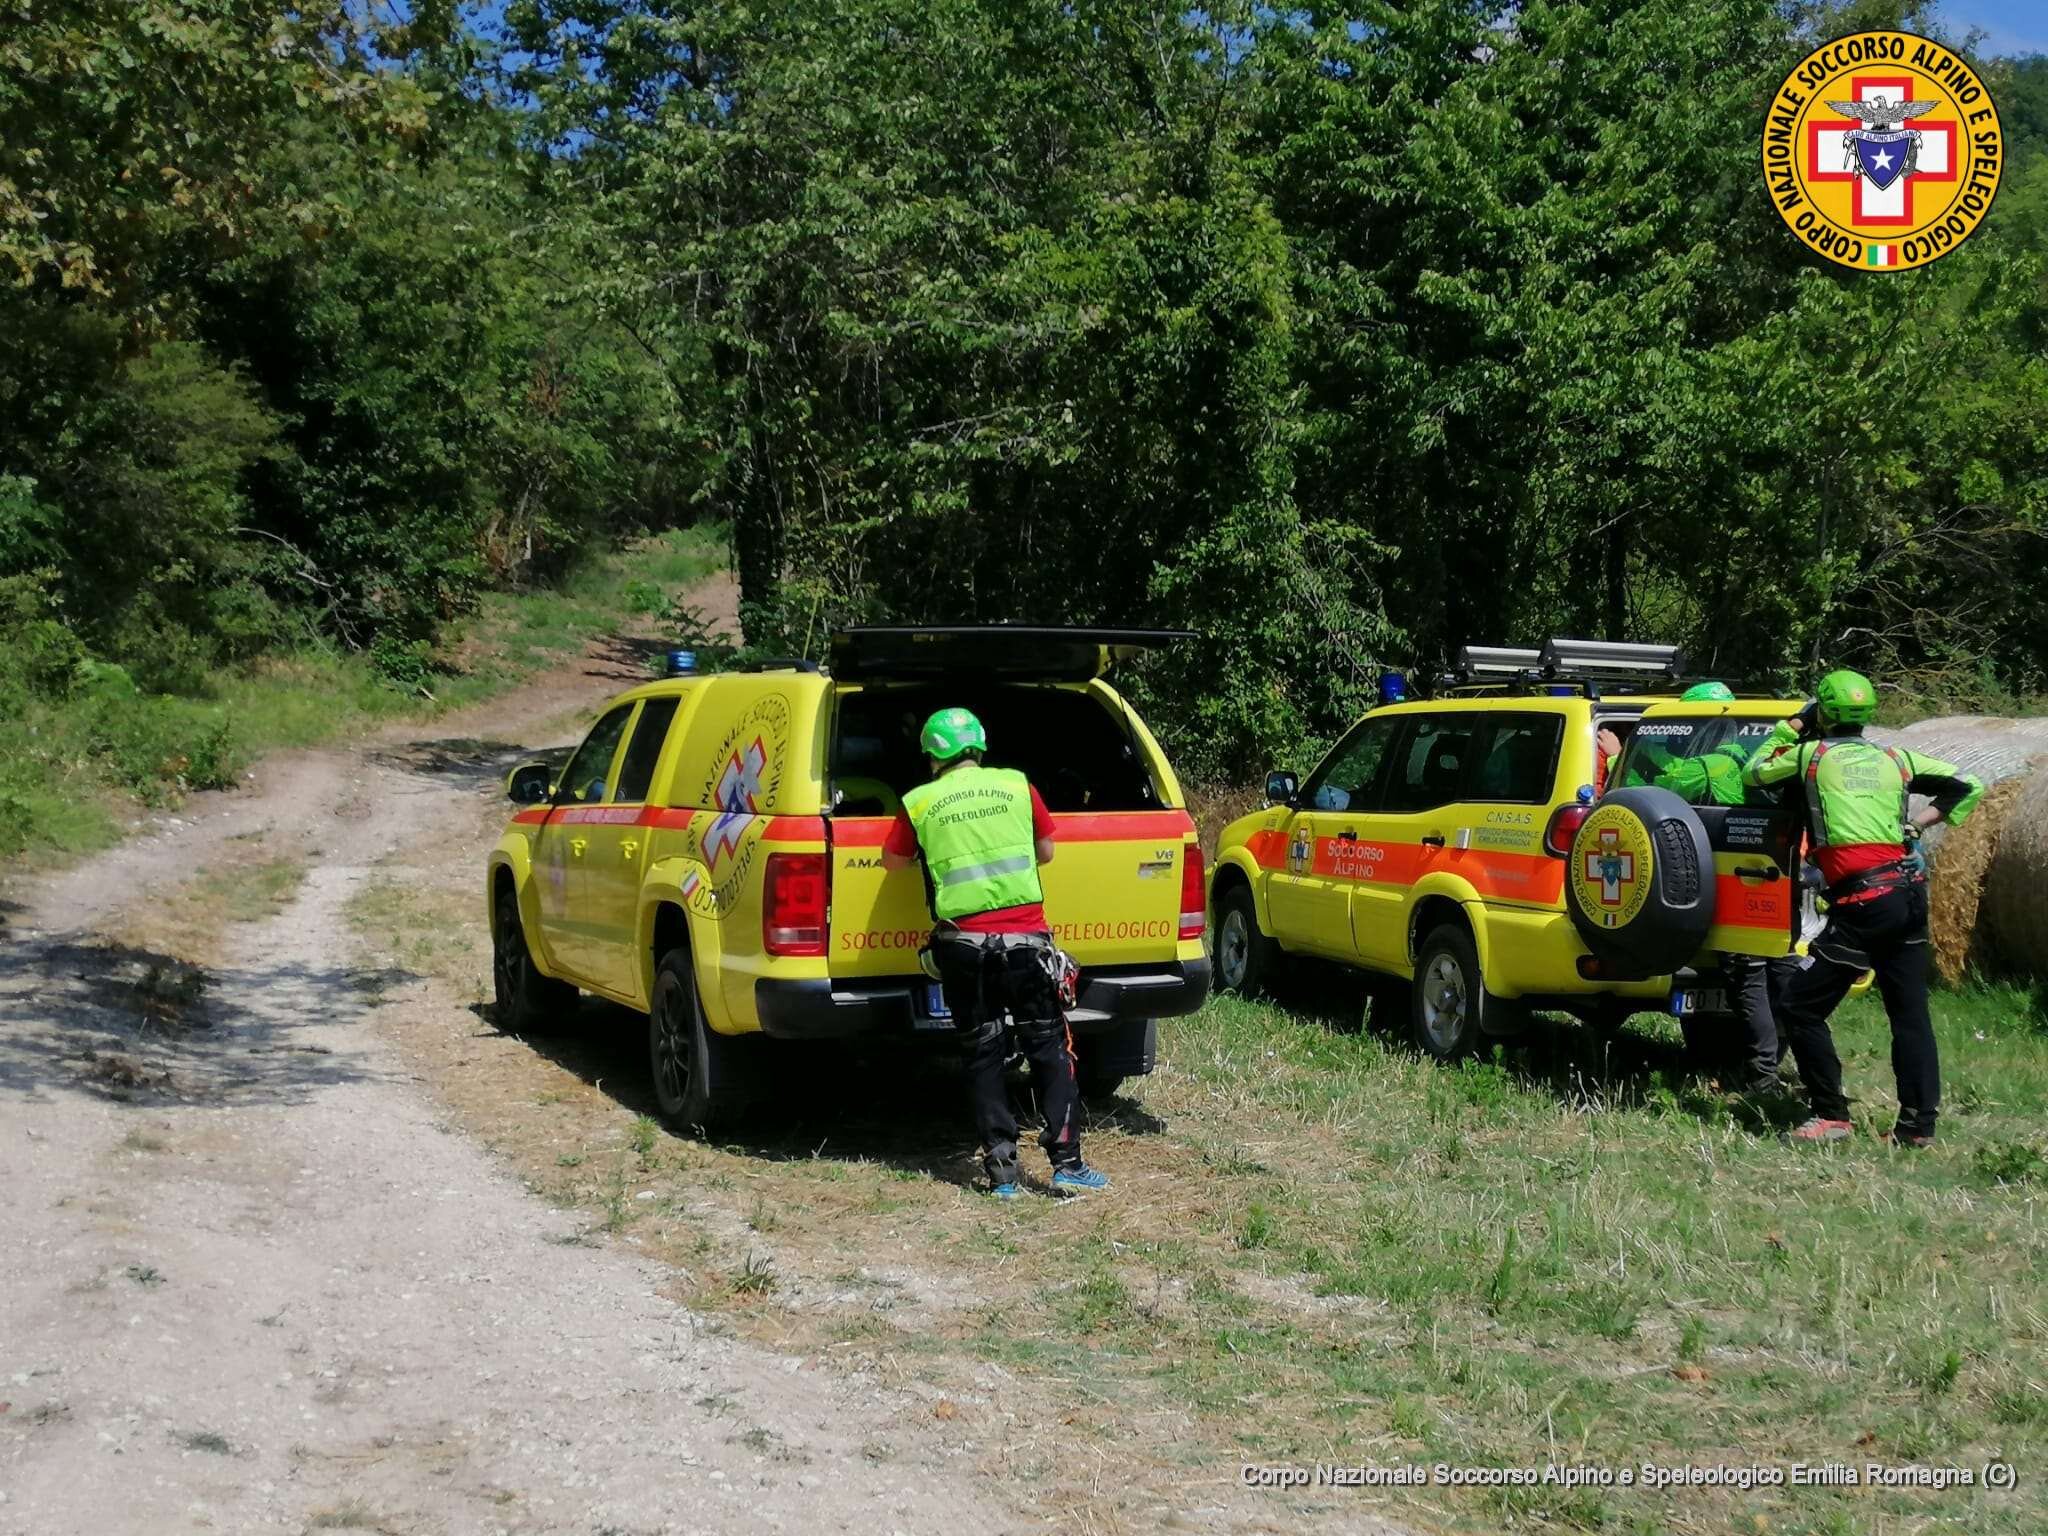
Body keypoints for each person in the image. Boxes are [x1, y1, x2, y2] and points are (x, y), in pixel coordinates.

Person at [1743, 669, 1983, 1146]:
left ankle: (1831, 1115)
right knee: (1909, 1013)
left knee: (1800, 1006)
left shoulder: (1811, 754)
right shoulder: (1896, 757)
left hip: (1863, 901)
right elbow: (1968, 784)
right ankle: (1917, 1128)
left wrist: (1790, 727)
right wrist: (1916, 826)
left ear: (1823, 712)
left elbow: (1755, 772)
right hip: (1909, 893)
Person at [880, 706, 1108, 1198]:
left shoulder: (919, 801)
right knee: (1049, 1049)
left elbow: (892, 862)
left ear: (931, 755)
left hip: (963, 949)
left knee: (983, 1054)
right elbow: (1047, 852)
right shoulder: (1016, 785)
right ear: (979, 747)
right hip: (1027, 944)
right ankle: (1067, 1164)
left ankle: (1003, 1177)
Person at [1598, 681, 1786, 1093]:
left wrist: (1625, 753)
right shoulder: (1747, 754)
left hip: (1724, 873)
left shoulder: (1717, 764)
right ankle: (1750, 1065)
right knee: (1759, 977)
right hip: (1733, 872)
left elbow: (1669, 783)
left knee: (1748, 975)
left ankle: (1762, 1072)